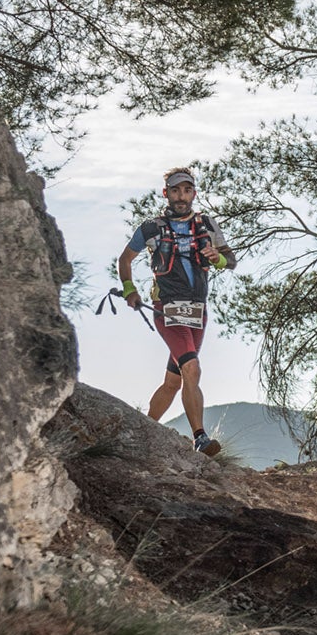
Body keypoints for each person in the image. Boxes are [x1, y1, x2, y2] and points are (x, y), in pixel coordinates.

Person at [117, 167, 233, 456]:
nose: (181, 196)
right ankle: (200, 438)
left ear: (194, 193)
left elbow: (229, 260)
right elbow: (125, 259)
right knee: (192, 368)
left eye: (187, 190)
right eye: (175, 190)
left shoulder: (207, 224)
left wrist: (217, 258)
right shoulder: (151, 228)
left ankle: (141, 432)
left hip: (198, 311)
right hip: (166, 308)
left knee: (174, 380)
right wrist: (130, 289)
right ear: (165, 193)